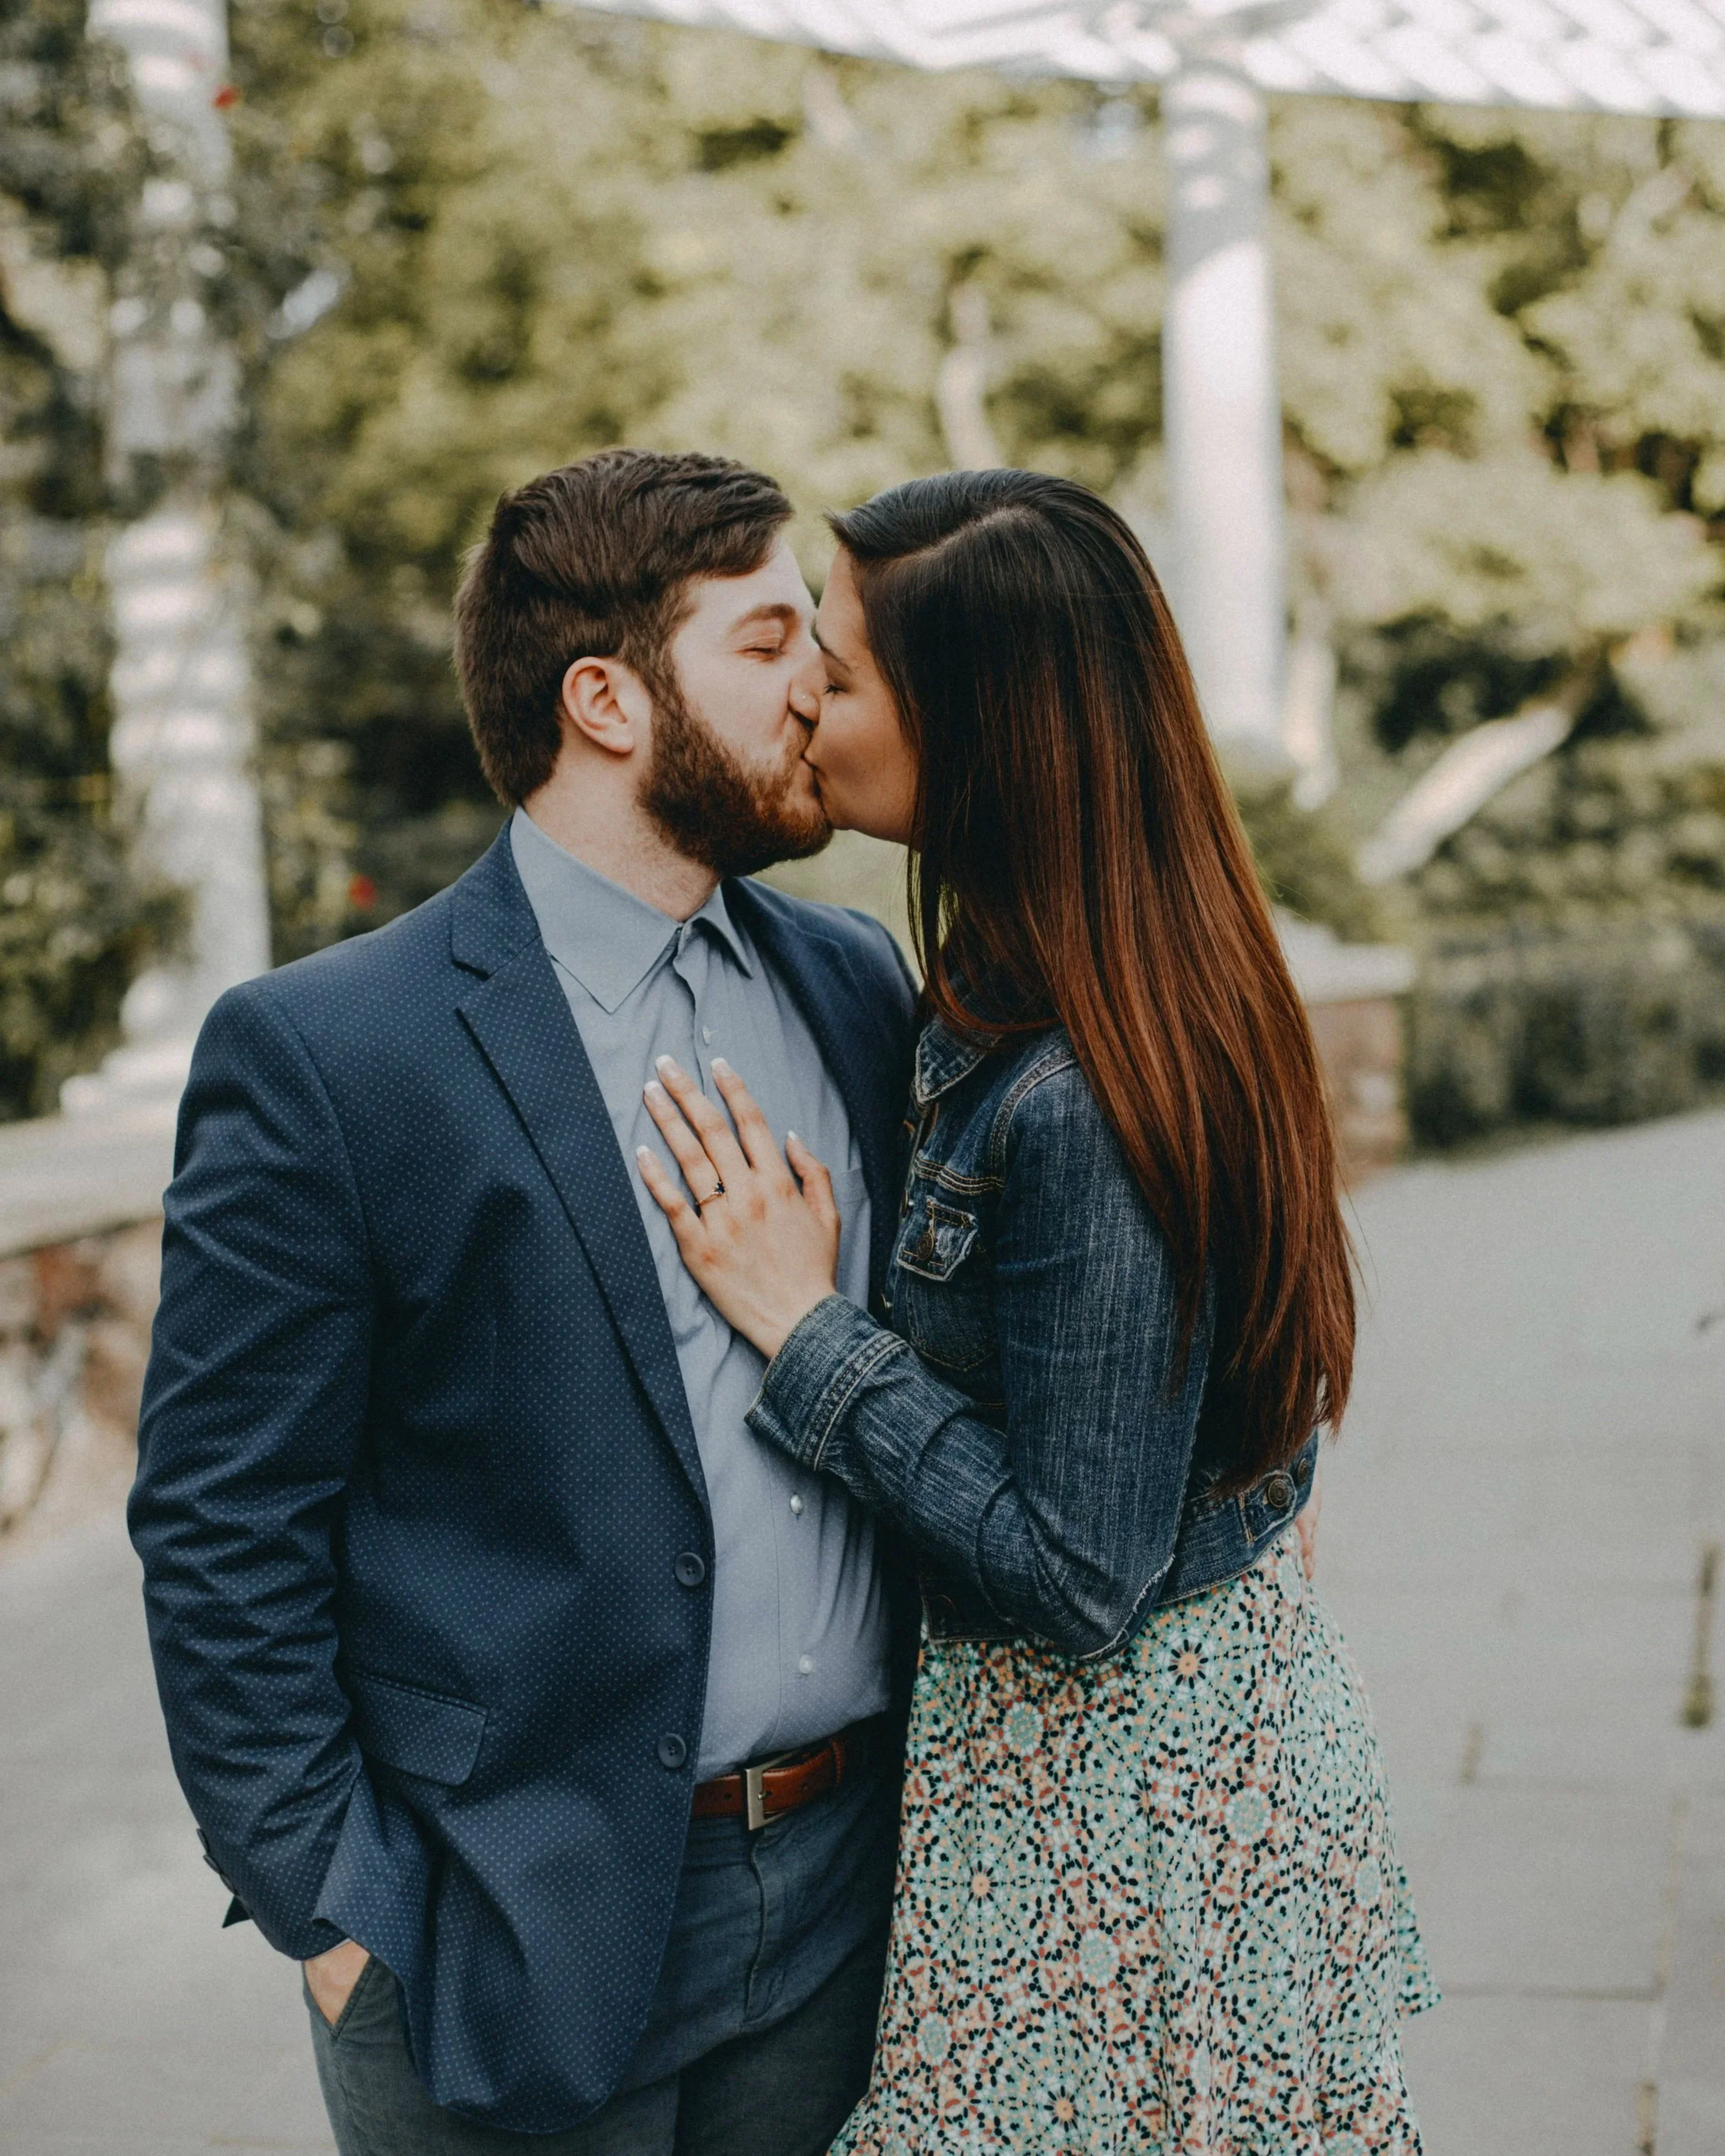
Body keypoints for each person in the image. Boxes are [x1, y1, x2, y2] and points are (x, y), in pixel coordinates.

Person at [129, 449, 924, 2155]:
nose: (820, 683)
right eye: (768, 638)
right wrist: (339, 1918)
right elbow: (220, 1520)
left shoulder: (854, 982)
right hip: (498, 1928)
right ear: (607, 700)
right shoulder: (336, 1052)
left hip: (848, 1897)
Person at [636, 469, 1439, 2153]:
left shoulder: (1078, 1093)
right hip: (1114, 1773)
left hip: (1115, 1819)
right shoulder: (1060, 985)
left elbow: (1077, 1572)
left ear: (978, 732)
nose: (800, 692)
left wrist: (806, 1331)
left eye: (840, 670)